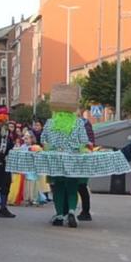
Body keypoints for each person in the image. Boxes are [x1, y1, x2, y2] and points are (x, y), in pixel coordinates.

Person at [42, 88, 92, 227]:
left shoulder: (50, 123)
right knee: (72, 186)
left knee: (58, 187)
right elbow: (84, 141)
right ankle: (70, 211)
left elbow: (43, 140)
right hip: (73, 159)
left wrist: (54, 147)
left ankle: (59, 215)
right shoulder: (78, 123)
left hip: (56, 160)